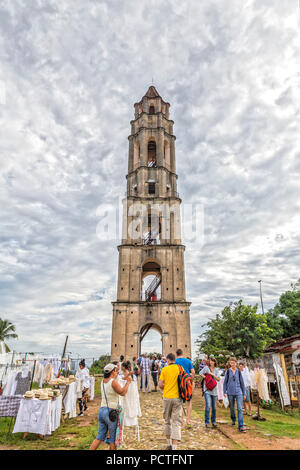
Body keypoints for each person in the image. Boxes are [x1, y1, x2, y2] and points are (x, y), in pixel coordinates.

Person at [90, 363, 132, 450]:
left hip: (102, 410)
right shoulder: (113, 382)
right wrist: (128, 382)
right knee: (113, 440)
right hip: (111, 412)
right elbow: (123, 392)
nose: (117, 373)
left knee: (99, 437)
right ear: (112, 372)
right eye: (116, 371)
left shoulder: (103, 381)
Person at [159, 353, 183, 451]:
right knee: (176, 422)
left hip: (167, 397)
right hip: (177, 398)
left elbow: (160, 384)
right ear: (175, 360)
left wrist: (167, 386)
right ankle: (174, 447)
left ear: (168, 360)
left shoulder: (165, 369)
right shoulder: (180, 368)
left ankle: (169, 444)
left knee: (167, 421)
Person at [223, 357, 246, 432]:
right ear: (230, 363)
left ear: (236, 363)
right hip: (230, 392)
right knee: (232, 408)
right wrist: (224, 391)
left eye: (233, 363)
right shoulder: (228, 372)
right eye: (231, 363)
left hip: (238, 392)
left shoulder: (238, 372)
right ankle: (233, 419)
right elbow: (225, 382)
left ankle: (241, 425)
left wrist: (244, 393)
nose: (232, 364)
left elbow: (242, 383)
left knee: (239, 408)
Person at [175, 349, 195, 428]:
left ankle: (182, 422)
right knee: (189, 401)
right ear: (182, 353)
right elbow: (193, 372)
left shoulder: (175, 361)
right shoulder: (187, 361)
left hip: (179, 383)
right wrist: (191, 379)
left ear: (176, 354)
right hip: (187, 382)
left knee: (181, 403)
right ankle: (188, 420)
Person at [200, 357, 220, 428]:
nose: (211, 362)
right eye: (210, 361)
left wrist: (213, 375)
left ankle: (213, 421)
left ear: (215, 362)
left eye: (213, 361)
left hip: (214, 391)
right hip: (207, 390)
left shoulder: (217, 370)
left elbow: (218, 379)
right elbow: (200, 373)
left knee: (214, 407)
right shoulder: (206, 368)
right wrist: (205, 377)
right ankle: (207, 422)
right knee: (208, 406)